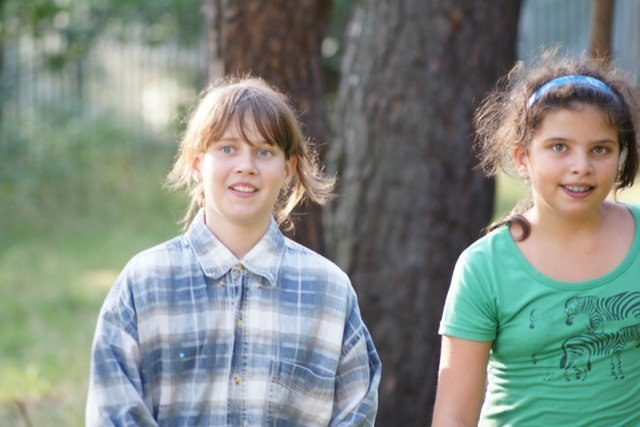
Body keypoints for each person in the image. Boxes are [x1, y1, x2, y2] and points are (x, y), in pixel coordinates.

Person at [86, 76, 381, 426]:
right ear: (197, 163)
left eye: (264, 151)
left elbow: (355, 413)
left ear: (287, 169)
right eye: (227, 149)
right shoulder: (144, 284)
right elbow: (114, 412)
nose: (246, 166)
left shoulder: (329, 291)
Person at [432, 50, 640, 426]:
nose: (581, 166)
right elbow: (453, 416)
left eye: (600, 149)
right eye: (559, 147)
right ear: (522, 157)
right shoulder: (485, 267)